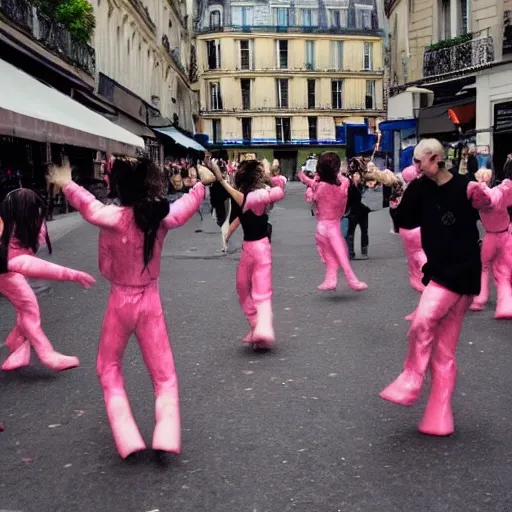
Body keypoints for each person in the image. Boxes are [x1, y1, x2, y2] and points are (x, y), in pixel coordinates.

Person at [48, 158, 211, 459]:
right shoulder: (160, 218)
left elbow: (87, 205)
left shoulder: (111, 216)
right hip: (151, 301)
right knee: (164, 376)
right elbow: (185, 207)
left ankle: (127, 435)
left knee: (108, 368)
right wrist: (201, 185)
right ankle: (165, 434)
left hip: (119, 301)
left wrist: (67, 183)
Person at [379, 138, 493, 437]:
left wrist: (482, 194)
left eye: (419, 162)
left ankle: (412, 378)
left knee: (422, 320)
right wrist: (396, 191)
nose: (415, 167)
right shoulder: (420, 188)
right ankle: (438, 417)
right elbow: (404, 220)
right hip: (443, 271)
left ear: (434, 158)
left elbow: (490, 206)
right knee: (443, 352)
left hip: (460, 271)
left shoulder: (466, 186)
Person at [0, 189, 95, 372]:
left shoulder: (11, 225)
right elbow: (27, 264)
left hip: (6, 270)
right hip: (6, 272)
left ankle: (17, 345)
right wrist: (72, 274)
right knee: (29, 307)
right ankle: (47, 355)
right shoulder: (9, 241)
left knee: (26, 307)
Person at [209, 158, 285, 350]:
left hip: (259, 249)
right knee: (243, 287)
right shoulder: (250, 197)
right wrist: (225, 236)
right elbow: (240, 218)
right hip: (249, 250)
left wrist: (221, 179)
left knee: (259, 291)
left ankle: (263, 329)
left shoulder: (255, 196)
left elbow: (241, 201)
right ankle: (257, 327)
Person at [298, 152, 367, 292]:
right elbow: (342, 183)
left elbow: (312, 196)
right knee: (341, 255)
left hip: (321, 227)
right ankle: (352, 281)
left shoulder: (320, 186)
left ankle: (330, 280)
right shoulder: (344, 183)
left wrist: (306, 178)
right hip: (333, 226)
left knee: (330, 256)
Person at [470, 168, 512, 318]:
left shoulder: (476, 196)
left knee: (484, 268)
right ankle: (505, 303)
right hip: (505, 235)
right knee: (504, 272)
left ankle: (480, 298)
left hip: (490, 237)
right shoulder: (502, 191)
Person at [346, 171, 371, 260]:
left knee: (364, 231)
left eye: (358, 175)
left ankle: (364, 251)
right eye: (355, 175)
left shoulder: (364, 186)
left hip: (363, 212)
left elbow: (370, 197)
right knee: (350, 232)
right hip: (352, 213)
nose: (356, 177)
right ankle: (350, 252)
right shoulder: (349, 186)